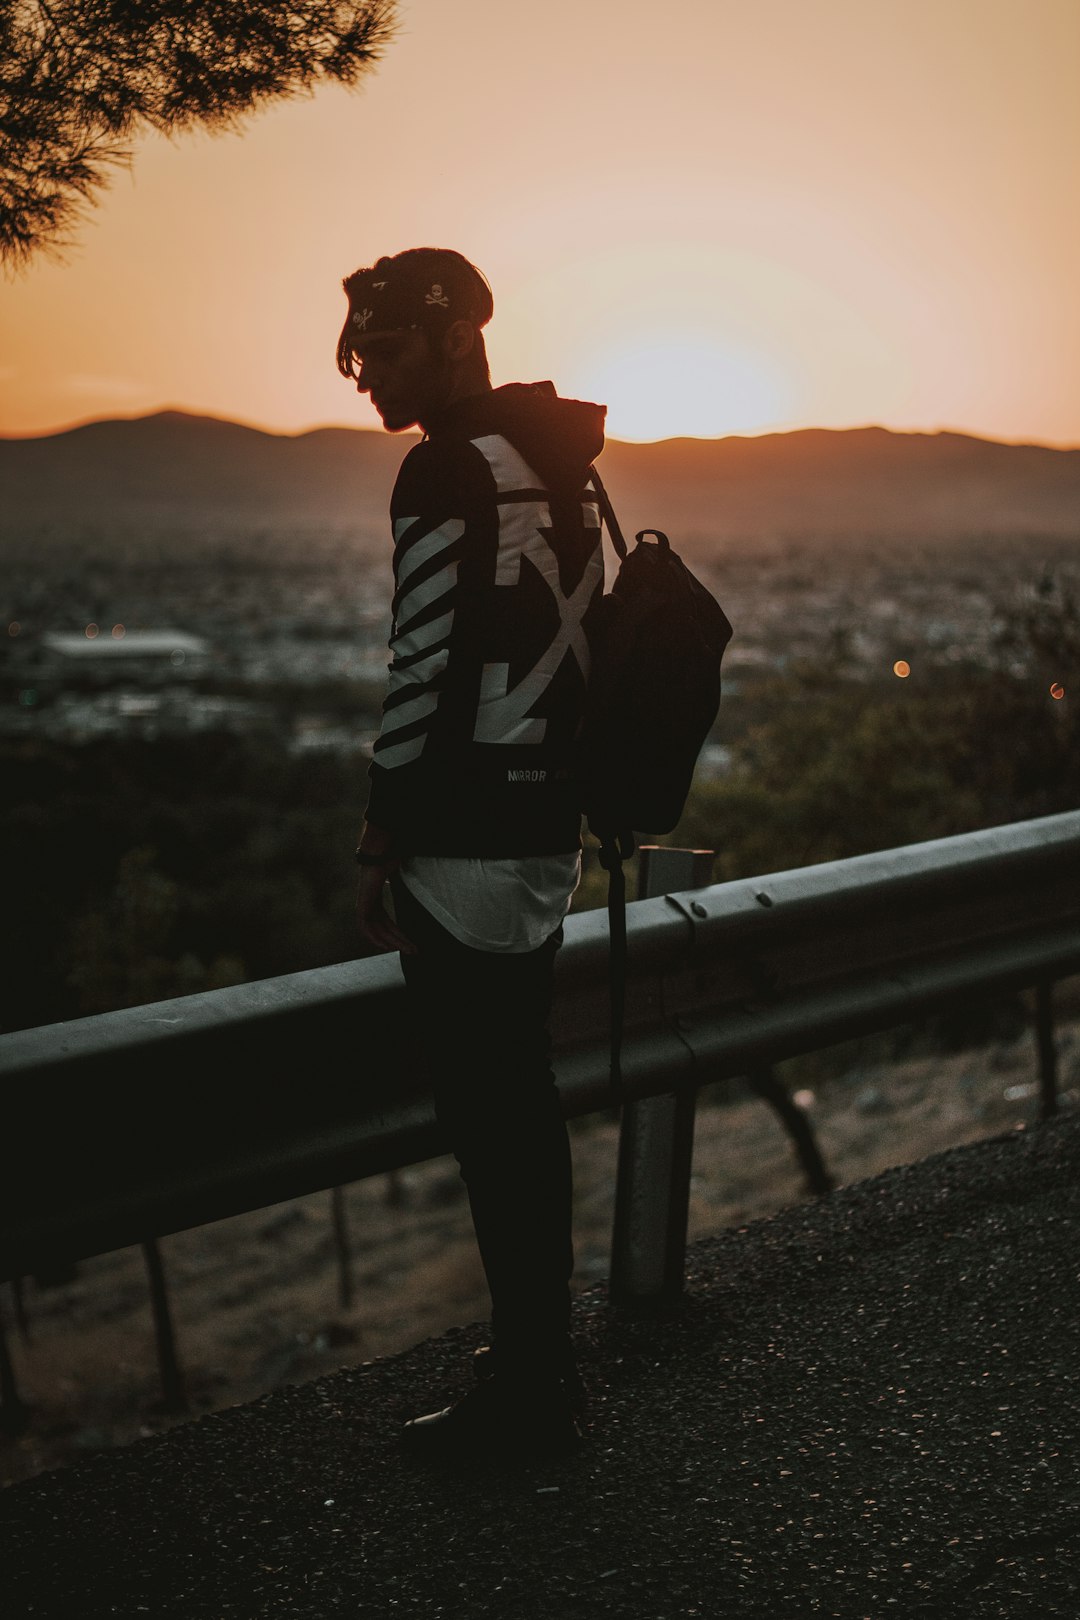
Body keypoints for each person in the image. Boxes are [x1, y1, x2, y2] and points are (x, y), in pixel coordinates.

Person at [337, 247, 607, 1460]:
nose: (364, 378)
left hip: (461, 835)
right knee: (524, 1105)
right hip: (548, 827)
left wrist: (381, 830)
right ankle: (541, 1361)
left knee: (486, 1112)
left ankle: (530, 1391)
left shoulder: (441, 471)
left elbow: (425, 659)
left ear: (453, 338)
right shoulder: (557, 460)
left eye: (385, 352)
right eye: (356, 355)